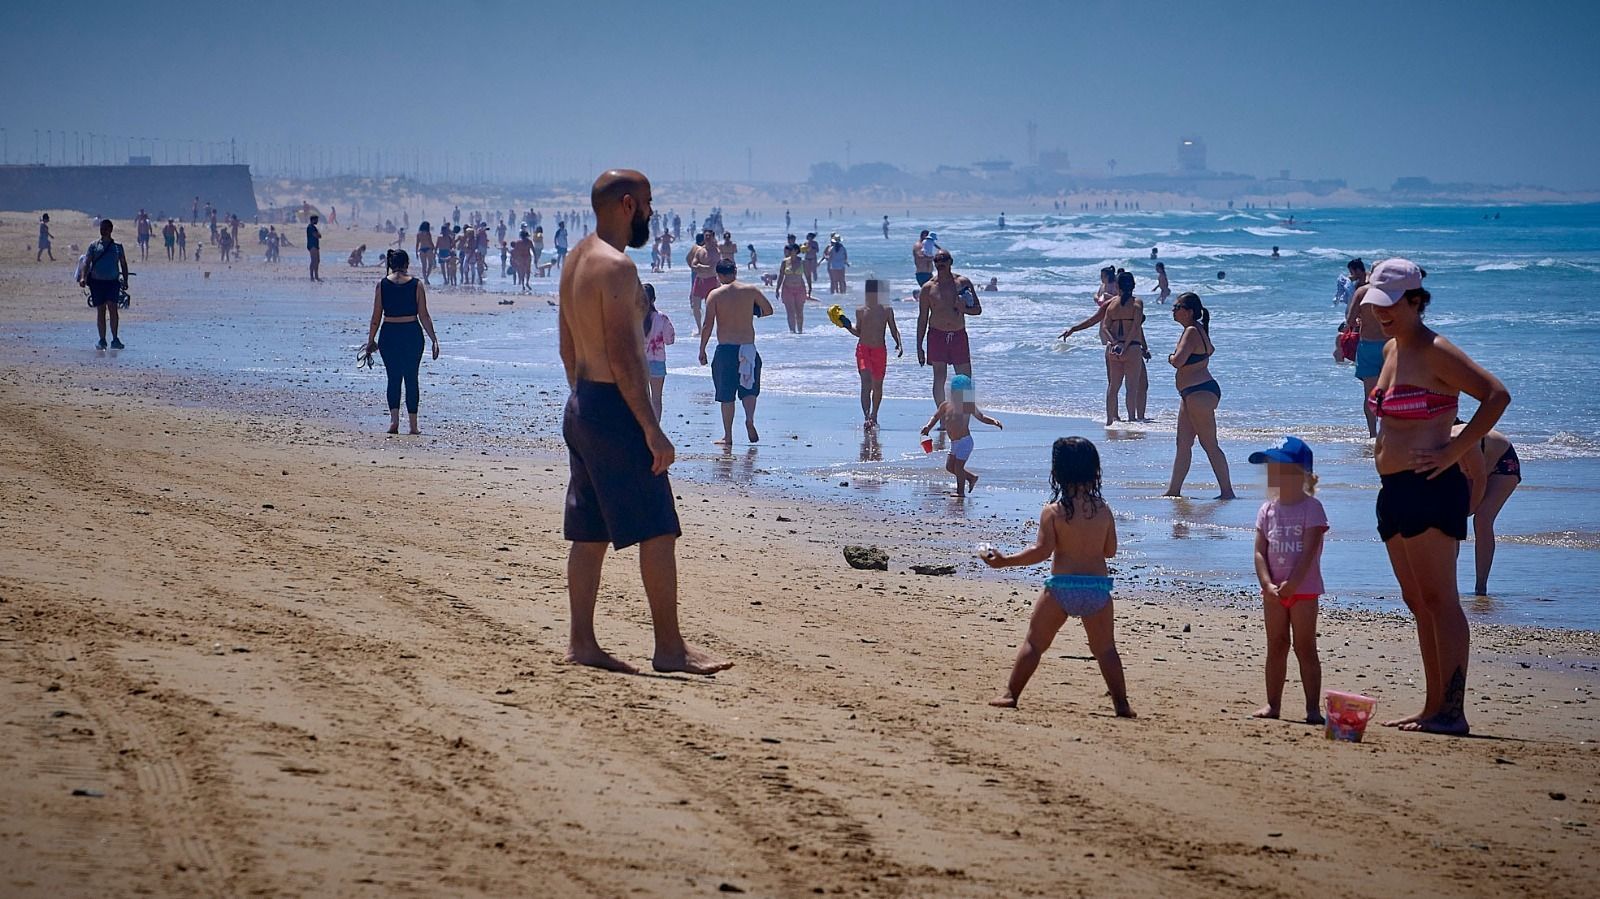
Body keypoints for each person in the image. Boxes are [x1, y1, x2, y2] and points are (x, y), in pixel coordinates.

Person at [559, 169, 730, 675]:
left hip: (583, 402)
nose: (653, 213)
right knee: (658, 527)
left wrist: (584, 399)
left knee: (590, 530)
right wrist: (651, 428)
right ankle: (670, 649)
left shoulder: (576, 259)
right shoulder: (617, 267)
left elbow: (567, 345)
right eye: (649, 203)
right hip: (614, 408)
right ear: (628, 205)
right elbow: (624, 355)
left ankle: (582, 643)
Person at [1363, 258, 1509, 735]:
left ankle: (1452, 711)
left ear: (1415, 301)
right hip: (1394, 490)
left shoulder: (1436, 350)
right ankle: (1431, 707)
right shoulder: (1390, 350)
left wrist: (1455, 451)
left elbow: (1496, 395)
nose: (1382, 313)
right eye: (1376, 305)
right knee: (1416, 600)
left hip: (1430, 488)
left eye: (1390, 305)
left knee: (1439, 598)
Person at [983, 437, 1134, 716]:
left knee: (1034, 643)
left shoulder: (1053, 512)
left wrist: (1005, 562)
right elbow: (1110, 551)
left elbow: (1041, 551)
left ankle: (1010, 695)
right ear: (1095, 472)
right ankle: (1122, 704)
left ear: (1057, 473)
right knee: (1105, 650)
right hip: (1097, 589)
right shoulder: (1104, 510)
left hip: (1061, 587)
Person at [1247, 436, 1328, 724]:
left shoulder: (1312, 508)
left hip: (1303, 590)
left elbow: (1309, 551)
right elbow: (1259, 551)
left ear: (1299, 474)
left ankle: (1312, 709)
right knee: (1276, 645)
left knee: (1305, 647)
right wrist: (1266, 584)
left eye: (1279, 468)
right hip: (1273, 593)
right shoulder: (1267, 510)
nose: (1272, 474)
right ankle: (1273, 704)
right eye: (1271, 468)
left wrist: (1293, 583)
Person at [1164, 293, 1236, 498]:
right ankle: (1173, 491)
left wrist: (1170, 357)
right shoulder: (1198, 329)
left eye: (1177, 307)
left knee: (1209, 444)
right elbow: (1210, 350)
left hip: (1199, 392)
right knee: (1183, 443)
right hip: (1193, 392)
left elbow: (1178, 361)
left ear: (1188, 311)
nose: (1173, 311)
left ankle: (1227, 492)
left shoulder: (1191, 331)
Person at [363, 250, 439, 435]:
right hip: (411, 333)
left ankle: (394, 421)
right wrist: (434, 339)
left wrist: (371, 340)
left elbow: (376, 317)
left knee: (393, 378)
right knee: (411, 378)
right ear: (407, 264)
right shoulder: (416, 284)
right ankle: (413, 426)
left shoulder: (382, 285)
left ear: (391, 263)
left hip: (389, 333)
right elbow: (424, 315)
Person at [698, 259, 772, 445]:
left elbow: (708, 324)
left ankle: (728, 436)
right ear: (735, 271)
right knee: (749, 388)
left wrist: (702, 349)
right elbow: (768, 310)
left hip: (726, 349)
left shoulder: (715, 295)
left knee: (727, 394)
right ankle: (749, 419)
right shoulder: (750, 290)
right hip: (748, 348)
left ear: (719, 275)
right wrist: (752, 311)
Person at [1060, 271, 1148, 425]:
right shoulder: (1137, 303)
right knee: (1133, 387)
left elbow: (1097, 323)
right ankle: (1134, 420)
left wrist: (1074, 329)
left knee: (1113, 386)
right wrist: (1128, 346)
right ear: (1133, 285)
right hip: (1132, 347)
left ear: (1117, 286)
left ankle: (1111, 421)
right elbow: (1136, 328)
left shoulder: (1110, 304)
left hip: (1113, 348)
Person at [1453, 422, 1520, 596]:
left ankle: (1481, 587)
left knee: (1482, 518)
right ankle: (1447, 582)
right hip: (1470, 469)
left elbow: (1479, 478)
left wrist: (1471, 508)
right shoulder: (1425, 444)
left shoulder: (1462, 440)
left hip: (1502, 463)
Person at [916, 250, 982, 410]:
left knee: (965, 378)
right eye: (937, 260)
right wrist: (919, 347)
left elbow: (977, 309)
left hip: (958, 334)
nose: (940, 263)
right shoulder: (928, 288)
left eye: (943, 260)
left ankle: (964, 413)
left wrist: (963, 309)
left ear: (950, 262)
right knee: (939, 377)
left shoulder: (963, 283)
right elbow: (922, 318)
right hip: (937, 335)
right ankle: (943, 415)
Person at [920, 374, 1002, 496]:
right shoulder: (945, 405)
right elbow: (936, 417)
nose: (958, 396)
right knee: (949, 467)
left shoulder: (967, 406)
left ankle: (960, 492)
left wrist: (994, 422)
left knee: (958, 467)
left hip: (965, 442)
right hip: (954, 443)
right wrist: (928, 427)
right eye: (956, 393)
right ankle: (971, 477)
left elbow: (981, 417)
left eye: (962, 394)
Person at [842, 277, 903, 428]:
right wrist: (847, 325)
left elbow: (893, 329)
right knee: (866, 382)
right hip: (863, 349)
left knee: (877, 385)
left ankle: (874, 415)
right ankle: (867, 416)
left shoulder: (886, 310)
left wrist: (899, 343)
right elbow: (859, 332)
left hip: (879, 351)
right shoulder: (861, 310)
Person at [80, 218, 129, 350]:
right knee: (101, 310)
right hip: (97, 282)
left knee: (113, 308)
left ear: (110, 230)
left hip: (112, 282)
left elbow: (123, 264)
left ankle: (115, 339)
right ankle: (102, 340)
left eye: (105, 228)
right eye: (101, 228)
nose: (102, 230)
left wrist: (125, 280)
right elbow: (86, 262)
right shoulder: (94, 246)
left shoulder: (117, 246)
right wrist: (83, 277)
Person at [643, 284, 676, 421]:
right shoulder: (662, 318)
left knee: (643, 399)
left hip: (639, 363)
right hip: (657, 361)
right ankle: (655, 427)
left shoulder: (633, 318)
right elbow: (669, 340)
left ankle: (644, 427)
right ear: (654, 299)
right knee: (656, 399)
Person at [686, 228, 721, 333]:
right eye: (706, 236)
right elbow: (693, 264)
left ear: (713, 237)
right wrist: (702, 267)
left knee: (711, 307)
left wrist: (700, 267)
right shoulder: (700, 251)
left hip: (711, 281)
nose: (708, 238)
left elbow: (713, 268)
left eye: (710, 236)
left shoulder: (716, 251)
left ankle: (709, 328)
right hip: (699, 281)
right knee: (695, 306)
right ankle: (699, 329)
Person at [774, 243, 810, 333]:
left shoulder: (802, 262)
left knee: (799, 312)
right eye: (788, 250)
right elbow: (781, 276)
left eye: (791, 250)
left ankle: (800, 331)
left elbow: (808, 275)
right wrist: (777, 289)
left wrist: (810, 288)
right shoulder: (785, 262)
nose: (789, 251)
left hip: (800, 289)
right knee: (790, 312)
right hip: (787, 289)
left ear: (796, 250)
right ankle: (792, 332)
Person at [306, 215, 323, 282]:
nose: (317, 221)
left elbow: (319, 235)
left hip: (315, 245)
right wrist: (318, 234)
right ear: (313, 220)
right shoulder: (310, 227)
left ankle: (316, 276)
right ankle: (312, 277)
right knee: (313, 261)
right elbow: (316, 235)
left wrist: (318, 234)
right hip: (312, 246)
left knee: (317, 260)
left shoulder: (313, 227)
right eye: (316, 220)